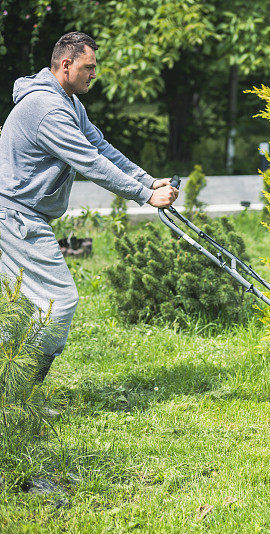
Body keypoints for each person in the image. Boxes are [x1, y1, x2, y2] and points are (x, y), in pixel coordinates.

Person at [0, 32, 178, 382]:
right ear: (66, 65)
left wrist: (147, 181)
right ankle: (22, 390)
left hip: (22, 215)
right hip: (15, 216)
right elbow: (89, 163)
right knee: (59, 301)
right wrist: (144, 197)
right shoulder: (47, 108)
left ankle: (12, 394)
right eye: (88, 67)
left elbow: (100, 148)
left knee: (21, 308)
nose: (93, 74)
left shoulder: (68, 102)